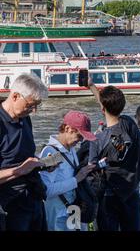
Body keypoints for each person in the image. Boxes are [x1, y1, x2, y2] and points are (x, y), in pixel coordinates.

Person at [88, 82, 140, 231]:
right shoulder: (129, 124)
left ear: (102, 109)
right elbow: (108, 107)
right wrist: (92, 86)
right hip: (131, 189)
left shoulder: (98, 139)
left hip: (109, 194)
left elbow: (91, 168)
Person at [0, 74, 49, 231]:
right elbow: (20, 165)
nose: (33, 111)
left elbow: (24, 155)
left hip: (33, 197)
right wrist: (20, 170)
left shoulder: (24, 118)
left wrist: (40, 163)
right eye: (30, 105)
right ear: (15, 96)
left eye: (37, 106)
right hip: (9, 204)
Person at [39, 111, 96, 231]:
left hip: (72, 209)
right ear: (68, 128)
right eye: (79, 136)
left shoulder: (71, 149)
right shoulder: (51, 152)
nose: (80, 141)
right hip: (58, 215)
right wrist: (76, 179)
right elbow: (46, 190)